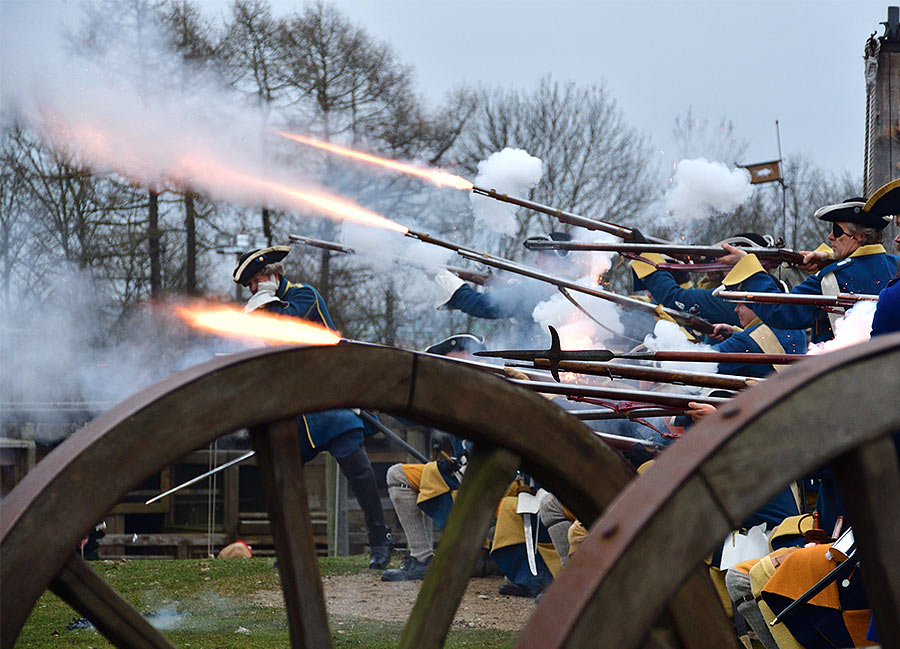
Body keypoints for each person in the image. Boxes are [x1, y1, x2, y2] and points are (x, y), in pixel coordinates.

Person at [232, 245, 394, 569]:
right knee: (286, 483)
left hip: (329, 405)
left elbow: (285, 327)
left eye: (255, 281)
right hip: (294, 409)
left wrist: (262, 308)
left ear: (271, 275)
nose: (251, 289)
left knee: (361, 476)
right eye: (249, 285)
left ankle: (380, 540)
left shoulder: (304, 295)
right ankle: (292, 550)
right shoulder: (261, 309)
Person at [380, 334, 484, 582]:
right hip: (466, 476)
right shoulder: (455, 392)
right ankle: (422, 558)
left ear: (465, 355)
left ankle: (480, 558)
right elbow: (417, 412)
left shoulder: (481, 389)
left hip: (493, 481)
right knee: (398, 475)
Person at [718, 198, 896, 342]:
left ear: (859, 236)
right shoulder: (896, 264)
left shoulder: (832, 277)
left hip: (839, 370)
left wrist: (748, 267)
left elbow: (780, 311)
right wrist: (829, 259)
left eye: (837, 231)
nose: (830, 237)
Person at [432, 232, 574, 345]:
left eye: (542, 255)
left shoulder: (535, 290)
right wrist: (501, 285)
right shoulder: (577, 288)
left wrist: (453, 287)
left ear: (555, 260)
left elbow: (484, 306)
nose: (537, 261)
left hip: (535, 366)